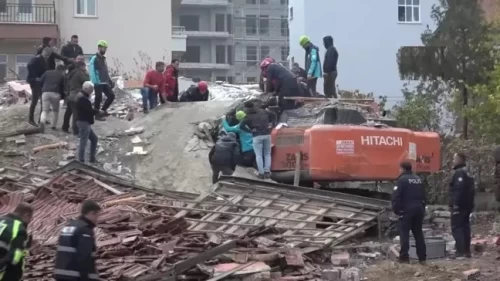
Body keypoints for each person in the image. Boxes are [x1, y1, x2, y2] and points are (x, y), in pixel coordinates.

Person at [54, 200, 101, 281]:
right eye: (97, 215)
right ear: (92, 213)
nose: (97, 219)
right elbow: (84, 256)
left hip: (61, 274)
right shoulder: (84, 230)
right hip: (75, 276)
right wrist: (85, 278)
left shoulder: (68, 226)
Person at [392, 161, 426, 264]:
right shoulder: (418, 179)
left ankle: (404, 258)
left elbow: (396, 197)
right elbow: (424, 195)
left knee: (404, 234)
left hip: (406, 211)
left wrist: (397, 210)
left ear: (402, 168)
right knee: (418, 234)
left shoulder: (401, 180)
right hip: (419, 210)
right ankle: (422, 258)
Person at [240, 101, 277, 179]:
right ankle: (267, 172)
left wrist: (250, 131)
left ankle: (261, 173)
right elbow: (274, 115)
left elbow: (241, 126)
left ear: (247, 108)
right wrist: (272, 125)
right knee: (267, 154)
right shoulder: (263, 111)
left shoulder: (247, 116)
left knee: (259, 155)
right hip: (267, 134)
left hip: (257, 136)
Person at [449, 152, 475, 259]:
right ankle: (467, 251)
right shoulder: (468, 172)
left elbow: (459, 189)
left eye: (454, 159)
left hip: (459, 206)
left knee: (456, 228)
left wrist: (455, 203)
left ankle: (460, 251)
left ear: (460, 160)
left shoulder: (459, 173)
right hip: (467, 205)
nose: (453, 161)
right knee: (465, 227)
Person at [0, 203, 33, 281]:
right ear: (26, 214)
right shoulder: (19, 229)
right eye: (31, 218)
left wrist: (26, 249)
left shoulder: (1, 220)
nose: (30, 221)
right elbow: (15, 258)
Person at [75, 81, 102, 164]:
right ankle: (81, 160)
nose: (92, 91)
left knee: (94, 139)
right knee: (83, 142)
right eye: (91, 89)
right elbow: (89, 110)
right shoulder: (83, 98)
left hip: (83, 121)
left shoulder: (80, 95)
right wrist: (99, 111)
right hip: (84, 122)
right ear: (87, 89)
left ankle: (92, 158)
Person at [89, 40, 115, 118]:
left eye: (106, 48)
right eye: (104, 48)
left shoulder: (104, 59)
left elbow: (105, 70)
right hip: (98, 82)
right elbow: (92, 70)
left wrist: (109, 80)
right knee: (98, 98)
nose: (105, 50)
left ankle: (103, 110)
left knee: (111, 96)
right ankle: (97, 115)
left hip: (105, 82)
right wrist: (95, 81)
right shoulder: (94, 58)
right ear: (99, 47)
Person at [27, 47, 52, 126]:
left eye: (49, 55)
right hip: (35, 82)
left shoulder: (45, 60)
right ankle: (30, 119)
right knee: (34, 101)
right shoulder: (36, 58)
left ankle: (41, 119)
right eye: (47, 54)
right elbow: (29, 66)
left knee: (43, 101)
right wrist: (35, 77)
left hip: (42, 82)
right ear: (43, 52)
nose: (47, 56)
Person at [63, 61, 89, 135]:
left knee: (68, 112)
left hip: (70, 95)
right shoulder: (79, 73)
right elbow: (87, 81)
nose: (85, 68)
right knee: (76, 114)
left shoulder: (71, 73)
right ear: (81, 66)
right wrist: (87, 74)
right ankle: (76, 131)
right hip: (77, 96)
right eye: (84, 66)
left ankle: (65, 127)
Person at [40, 64, 66, 131]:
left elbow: (40, 81)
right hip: (56, 93)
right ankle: (53, 126)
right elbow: (63, 87)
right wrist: (63, 96)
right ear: (62, 70)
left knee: (45, 110)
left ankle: (42, 121)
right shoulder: (62, 76)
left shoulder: (47, 72)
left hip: (45, 92)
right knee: (55, 111)